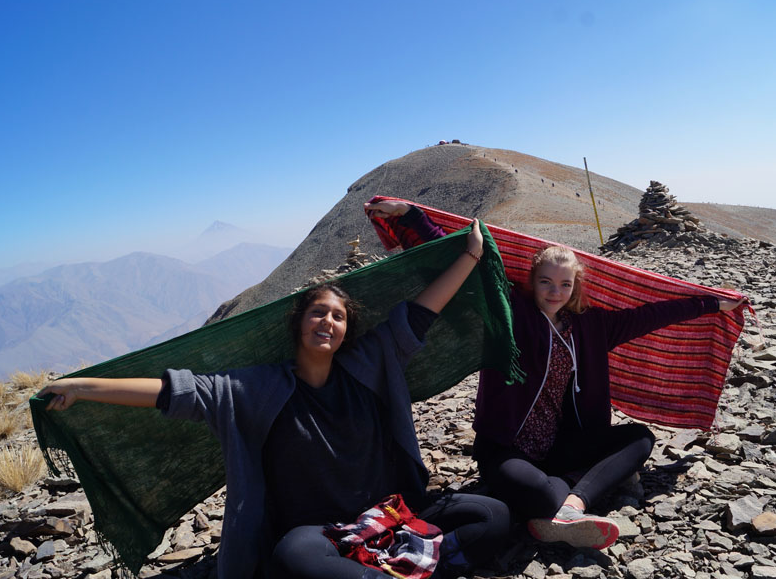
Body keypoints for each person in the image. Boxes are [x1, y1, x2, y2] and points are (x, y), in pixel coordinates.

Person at [39, 219, 510, 579]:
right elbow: (176, 392)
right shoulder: (259, 389)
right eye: (318, 313)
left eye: (338, 316)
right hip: (319, 533)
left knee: (492, 515)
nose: (327, 322)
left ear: (347, 330)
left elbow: (420, 313)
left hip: (386, 516)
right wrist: (83, 387)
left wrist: (471, 255)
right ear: (298, 322)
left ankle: (384, 569)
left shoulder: (370, 363)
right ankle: (415, 568)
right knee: (294, 556)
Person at [364, 199, 746, 550]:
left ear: (575, 286)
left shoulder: (592, 325)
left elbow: (652, 315)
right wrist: (412, 216)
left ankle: (572, 505)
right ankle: (569, 493)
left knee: (640, 437)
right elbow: (471, 272)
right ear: (532, 281)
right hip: (506, 448)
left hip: (560, 445)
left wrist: (712, 303)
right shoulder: (512, 314)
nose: (555, 291)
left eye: (565, 284)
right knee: (539, 495)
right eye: (546, 282)